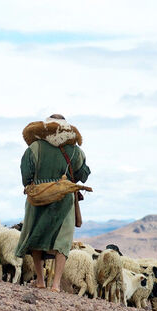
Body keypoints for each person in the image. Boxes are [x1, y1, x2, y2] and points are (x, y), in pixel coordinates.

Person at [15, 114, 91, 292]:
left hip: (39, 195)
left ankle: (40, 280)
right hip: (64, 198)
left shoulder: (35, 147)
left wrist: (32, 184)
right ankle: (56, 284)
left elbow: (26, 172)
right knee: (62, 240)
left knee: (36, 236)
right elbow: (82, 175)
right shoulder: (76, 151)